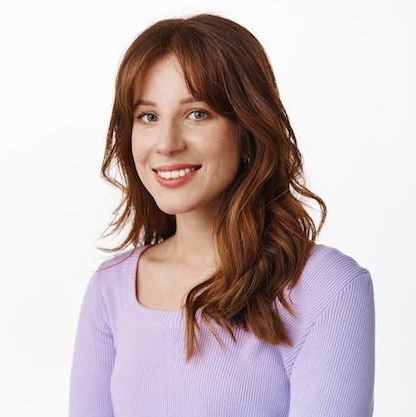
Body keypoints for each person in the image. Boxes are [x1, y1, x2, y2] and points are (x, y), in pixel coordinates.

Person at [69, 13, 374, 417]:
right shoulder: (110, 289)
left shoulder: (327, 288)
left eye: (197, 113)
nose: (166, 143)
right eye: (148, 116)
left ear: (247, 131)